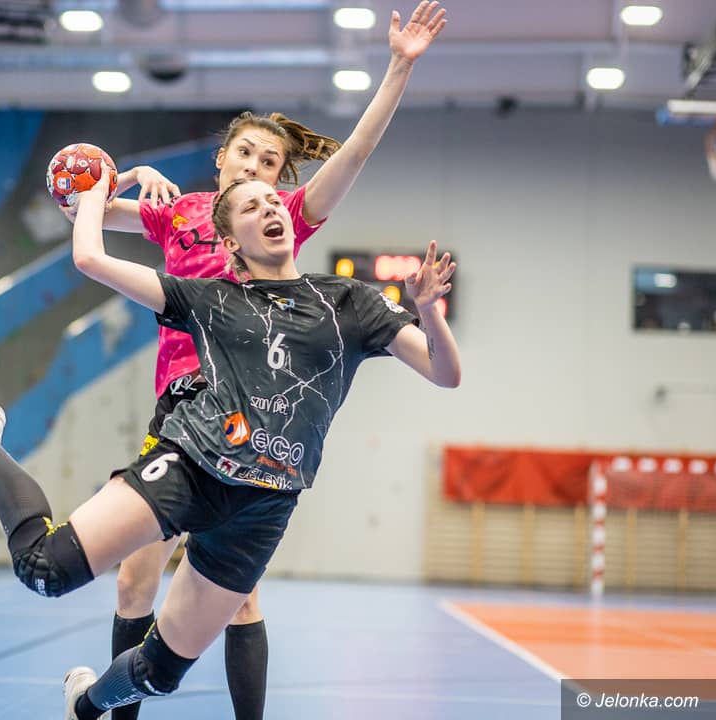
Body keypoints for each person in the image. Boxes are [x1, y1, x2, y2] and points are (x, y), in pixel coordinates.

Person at [0, 166, 460, 719]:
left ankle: (85, 706)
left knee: (160, 673)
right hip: (190, 467)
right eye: (251, 207)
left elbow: (445, 373)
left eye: (272, 200)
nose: (269, 208)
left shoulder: (348, 302)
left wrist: (429, 312)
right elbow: (91, 259)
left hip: (265, 506)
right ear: (231, 242)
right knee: (45, 569)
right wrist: (100, 187)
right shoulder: (211, 299)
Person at [62, 3, 447, 717]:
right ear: (222, 158)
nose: (257, 169)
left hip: (249, 418)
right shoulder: (178, 213)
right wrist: (128, 175)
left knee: (241, 602)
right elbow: (81, 209)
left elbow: (354, 155)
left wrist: (399, 67)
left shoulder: (280, 217)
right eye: (246, 154)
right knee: (133, 585)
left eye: (271, 164)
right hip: (180, 414)